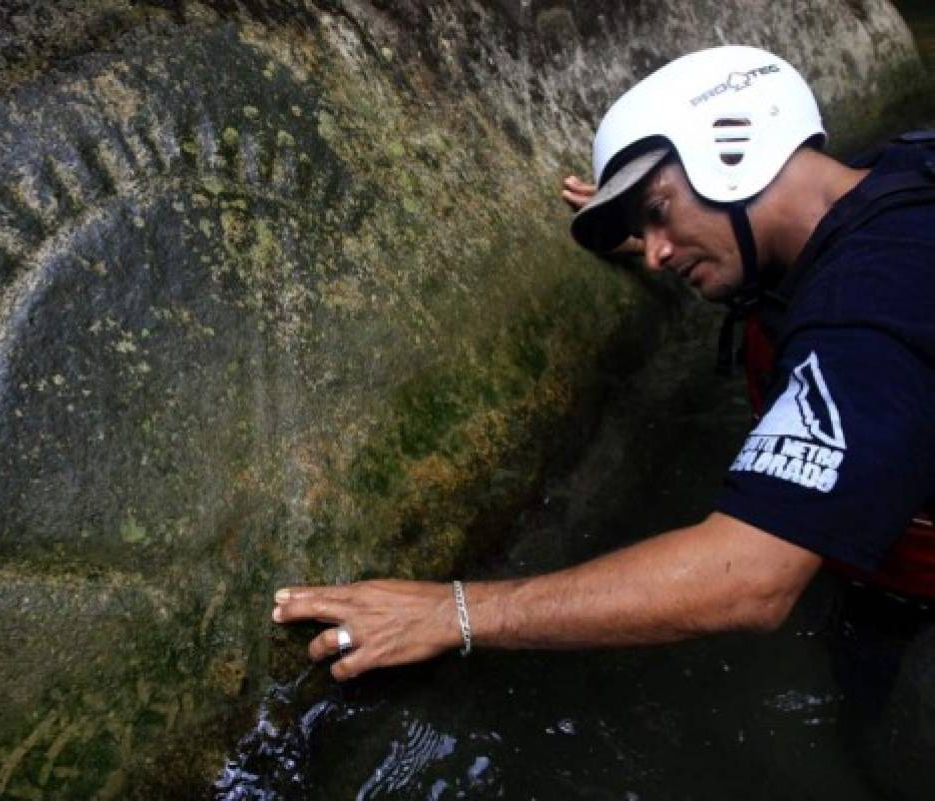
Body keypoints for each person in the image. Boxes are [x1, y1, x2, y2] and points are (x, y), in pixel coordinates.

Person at [271, 45, 935, 796]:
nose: (652, 254)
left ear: (737, 155)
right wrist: (663, 232)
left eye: (657, 211)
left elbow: (749, 580)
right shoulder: (886, 183)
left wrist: (451, 611)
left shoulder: (870, 310)